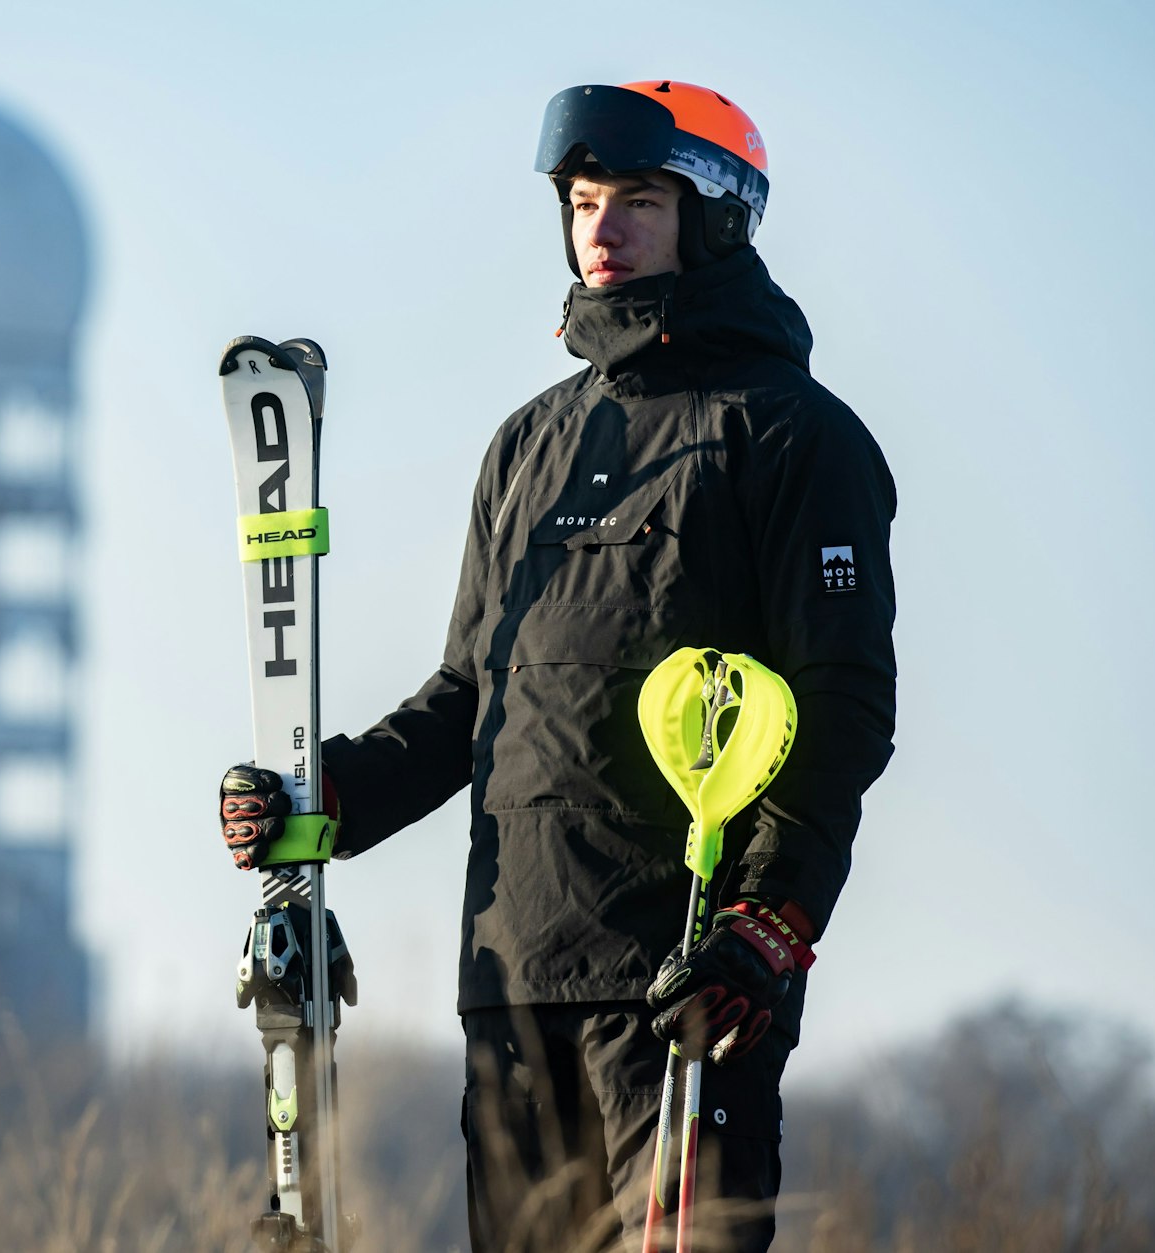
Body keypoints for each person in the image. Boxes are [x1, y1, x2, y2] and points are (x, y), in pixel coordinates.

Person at [219, 79, 897, 1252]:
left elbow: (839, 705)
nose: (603, 227)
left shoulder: (789, 432)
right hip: (515, 971)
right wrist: (320, 798)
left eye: (637, 198)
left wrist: (769, 919)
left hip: (686, 976)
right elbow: (463, 703)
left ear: (716, 214)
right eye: (584, 200)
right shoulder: (530, 443)